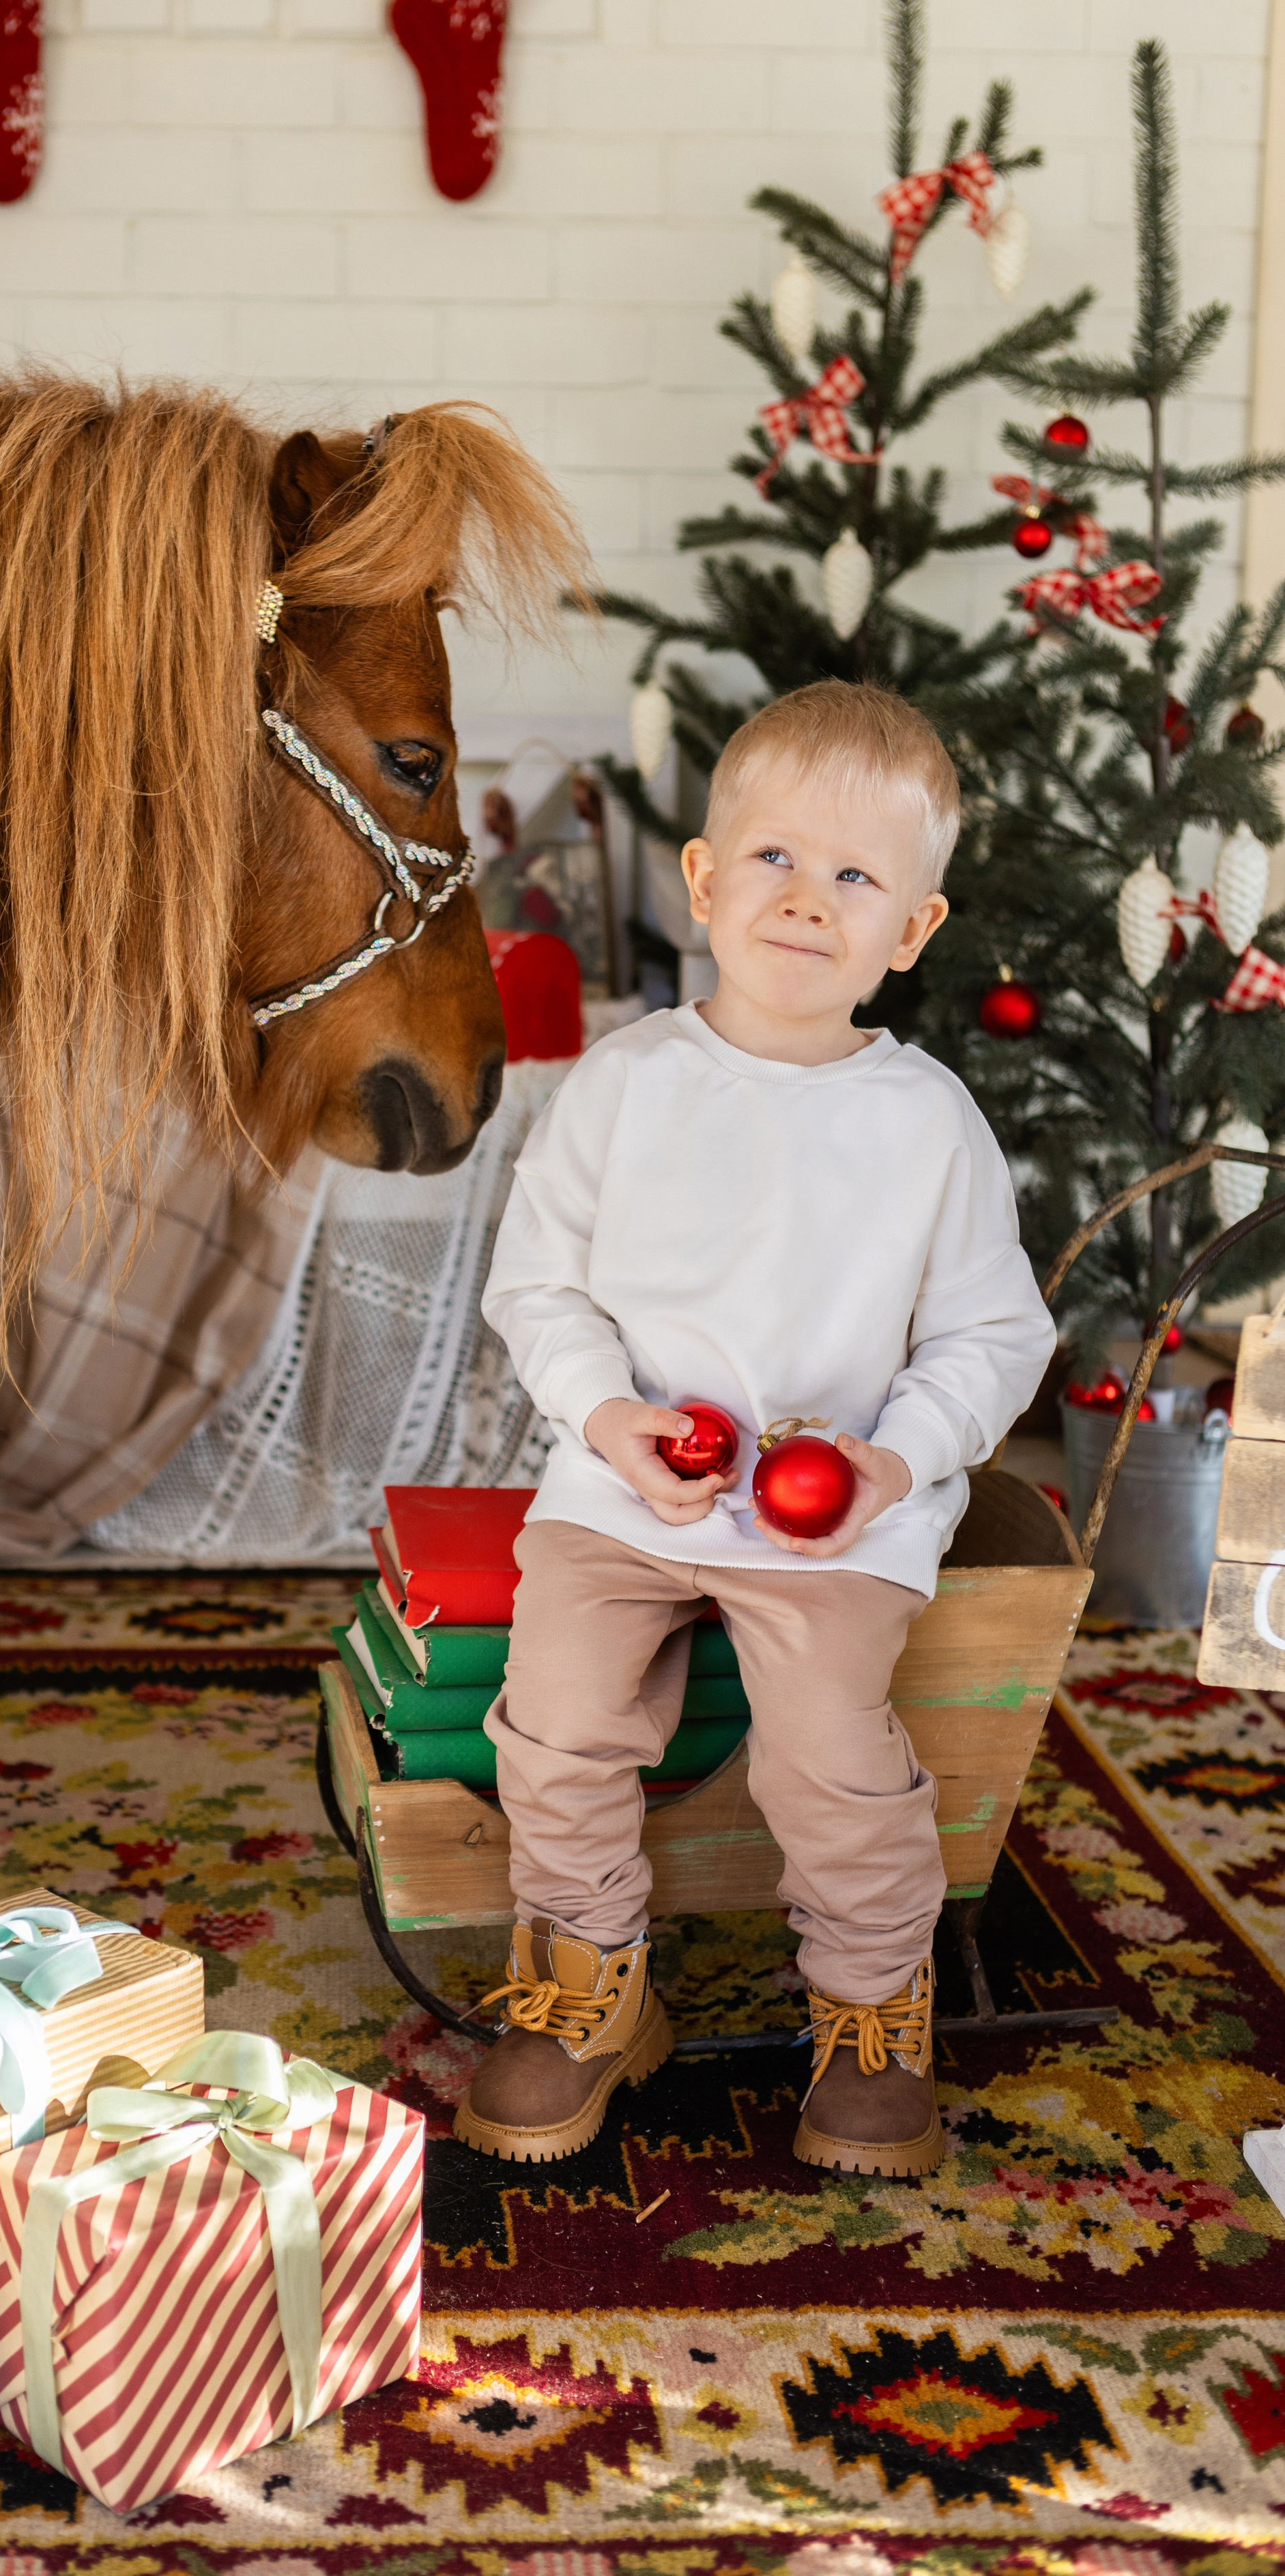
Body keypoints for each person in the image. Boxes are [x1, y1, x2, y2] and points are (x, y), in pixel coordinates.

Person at [460, 679, 1056, 2179]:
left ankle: (868, 2008)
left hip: (833, 1515)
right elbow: (535, 1287)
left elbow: (995, 1336)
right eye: (776, 860)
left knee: (827, 1755)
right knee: (557, 1714)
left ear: (909, 933)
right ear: (705, 880)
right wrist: (606, 1419)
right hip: (624, 1492)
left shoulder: (925, 1124)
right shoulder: (624, 1084)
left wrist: (891, 1460)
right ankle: (590, 1982)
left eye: (857, 877)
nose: (808, 902)